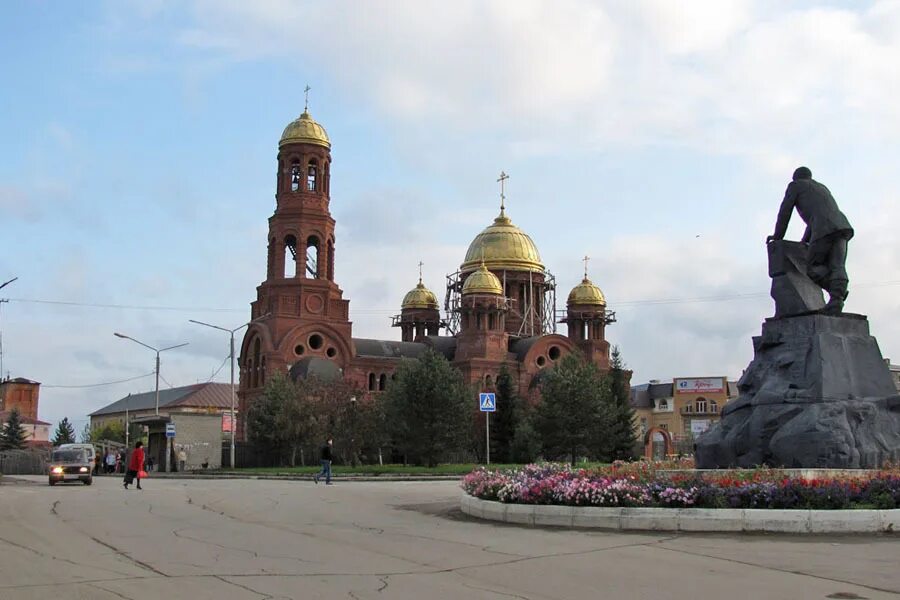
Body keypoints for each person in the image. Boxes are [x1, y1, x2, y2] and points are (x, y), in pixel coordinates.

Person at [767, 166, 854, 314]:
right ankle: (837, 296)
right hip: (842, 226)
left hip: (823, 228)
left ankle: (836, 294)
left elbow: (785, 211)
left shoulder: (795, 185)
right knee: (837, 266)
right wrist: (804, 241)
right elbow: (818, 214)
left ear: (796, 177)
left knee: (812, 268)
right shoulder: (821, 188)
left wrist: (777, 236)